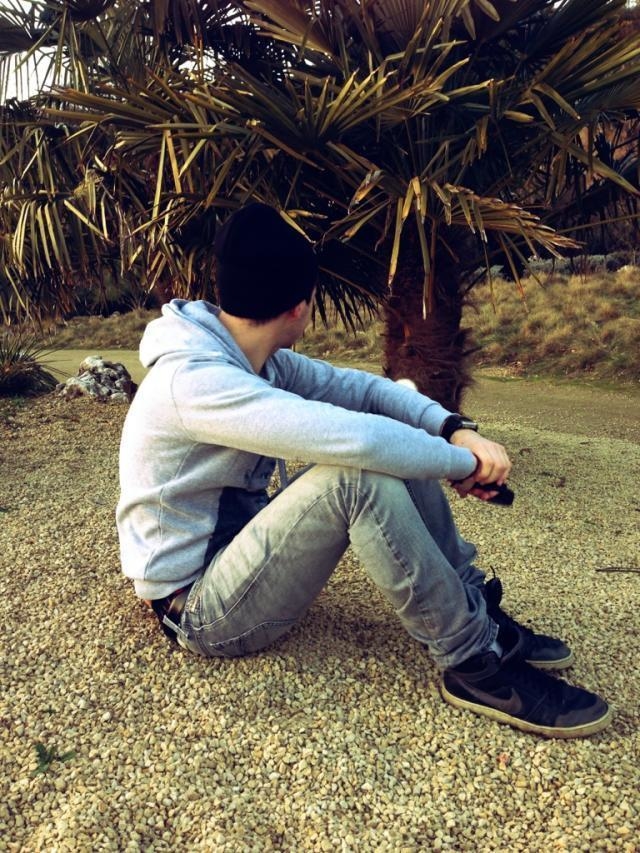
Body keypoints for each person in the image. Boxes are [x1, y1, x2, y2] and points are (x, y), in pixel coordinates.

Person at [116, 202, 611, 739]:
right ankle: (473, 662)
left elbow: (365, 391)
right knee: (357, 475)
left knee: (391, 445)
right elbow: (361, 440)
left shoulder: (257, 360)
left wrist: (453, 430)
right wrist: (465, 465)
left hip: (238, 558)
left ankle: (476, 614)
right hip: (198, 609)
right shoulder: (195, 383)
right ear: (300, 306)